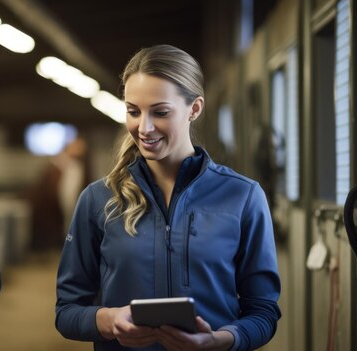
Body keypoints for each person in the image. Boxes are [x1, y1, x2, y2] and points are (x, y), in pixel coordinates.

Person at [55, 44, 281, 350]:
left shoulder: (243, 196)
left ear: (194, 108)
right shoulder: (98, 199)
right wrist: (108, 321)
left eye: (160, 112)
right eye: (133, 111)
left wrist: (219, 340)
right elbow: (67, 312)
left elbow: (263, 313)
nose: (143, 128)